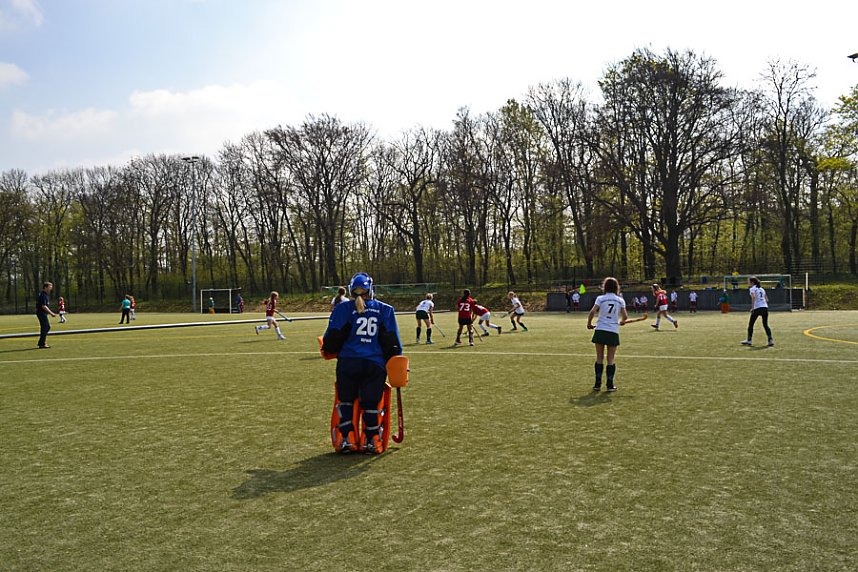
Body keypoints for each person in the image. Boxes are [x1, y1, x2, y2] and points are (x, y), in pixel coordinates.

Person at [322, 272, 403, 454]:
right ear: (371, 289)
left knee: (346, 402)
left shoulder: (342, 309)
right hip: (374, 364)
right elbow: (393, 344)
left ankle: (346, 440)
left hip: (348, 363)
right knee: (371, 404)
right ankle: (372, 441)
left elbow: (331, 342)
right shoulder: (385, 310)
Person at [586, 277, 628, 392]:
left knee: (599, 358)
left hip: (600, 329)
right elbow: (625, 316)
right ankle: (610, 385)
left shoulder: (600, 298)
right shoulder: (620, 300)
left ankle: (597, 384)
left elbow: (592, 311)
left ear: (605, 287)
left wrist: (589, 323)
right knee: (610, 359)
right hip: (613, 331)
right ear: (616, 287)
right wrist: (623, 321)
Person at [741, 276, 774, 347]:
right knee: (765, 324)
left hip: (757, 308)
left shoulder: (752, 289)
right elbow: (767, 299)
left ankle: (749, 340)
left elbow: (753, 297)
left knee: (751, 324)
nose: (748, 283)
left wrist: (753, 308)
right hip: (765, 308)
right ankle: (770, 340)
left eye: (749, 281)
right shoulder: (762, 289)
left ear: (752, 282)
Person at [35, 282, 57, 349]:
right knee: (46, 327)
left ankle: (41, 342)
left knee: (46, 327)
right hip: (41, 313)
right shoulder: (43, 295)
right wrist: (51, 313)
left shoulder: (45, 295)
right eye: (50, 287)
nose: (51, 289)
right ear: (45, 287)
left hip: (43, 313)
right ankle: (42, 343)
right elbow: (43, 306)